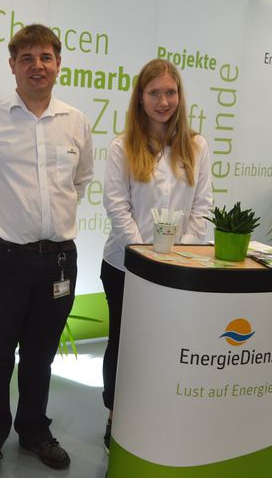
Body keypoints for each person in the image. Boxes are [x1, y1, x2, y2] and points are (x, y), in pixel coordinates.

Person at [0, 24, 94, 477]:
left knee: (40, 355)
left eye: (45, 57)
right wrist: (7, 224)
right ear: (12, 65)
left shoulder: (75, 121)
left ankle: (35, 431)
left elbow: (80, 181)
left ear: (58, 64)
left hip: (58, 260)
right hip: (4, 260)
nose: (37, 66)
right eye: (27, 58)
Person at [100, 58, 213, 452]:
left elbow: (202, 207)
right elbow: (117, 207)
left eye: (170, 92)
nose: (163, 102)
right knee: (125, 345)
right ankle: (115, 417)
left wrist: (180, 255)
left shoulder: (196, 146)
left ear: (179, 96)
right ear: (140, 98)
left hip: (178, 270)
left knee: (169, 345)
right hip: (125, 267)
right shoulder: (122, 147)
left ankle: (158, 415)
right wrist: (144, 259)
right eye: (154, 93)